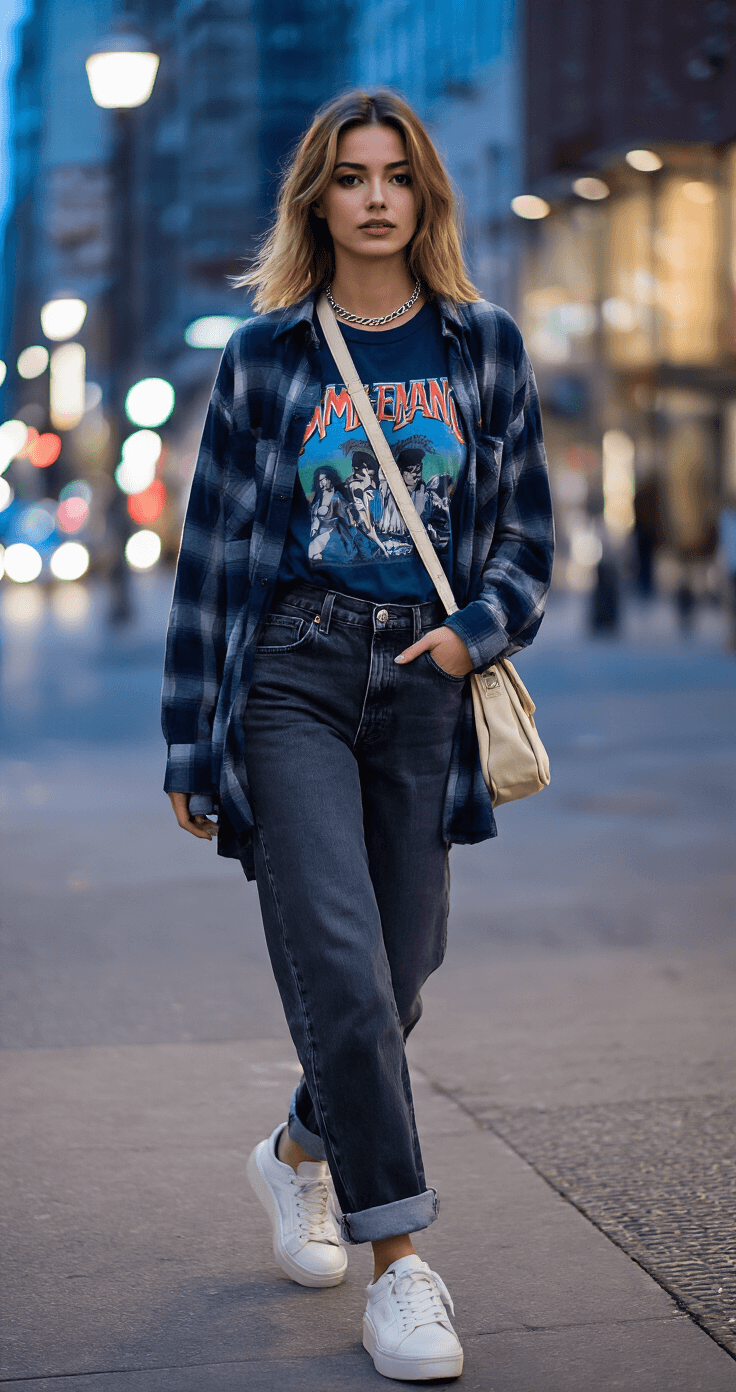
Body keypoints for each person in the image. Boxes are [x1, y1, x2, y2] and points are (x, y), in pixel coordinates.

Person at [162, 88, 553, 1382]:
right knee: (337, 959)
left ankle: (295, 1156)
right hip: (294, 674)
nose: (375, 195)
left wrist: (474, 631)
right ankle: (404, 1267)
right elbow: (214, 562)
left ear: (424, 194)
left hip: (425, 686)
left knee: (401, 976)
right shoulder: (270, 359)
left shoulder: (479, 344)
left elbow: (529, 545)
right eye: (350, 175)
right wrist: (188, 739)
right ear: (317, 199)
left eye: (395, 174)